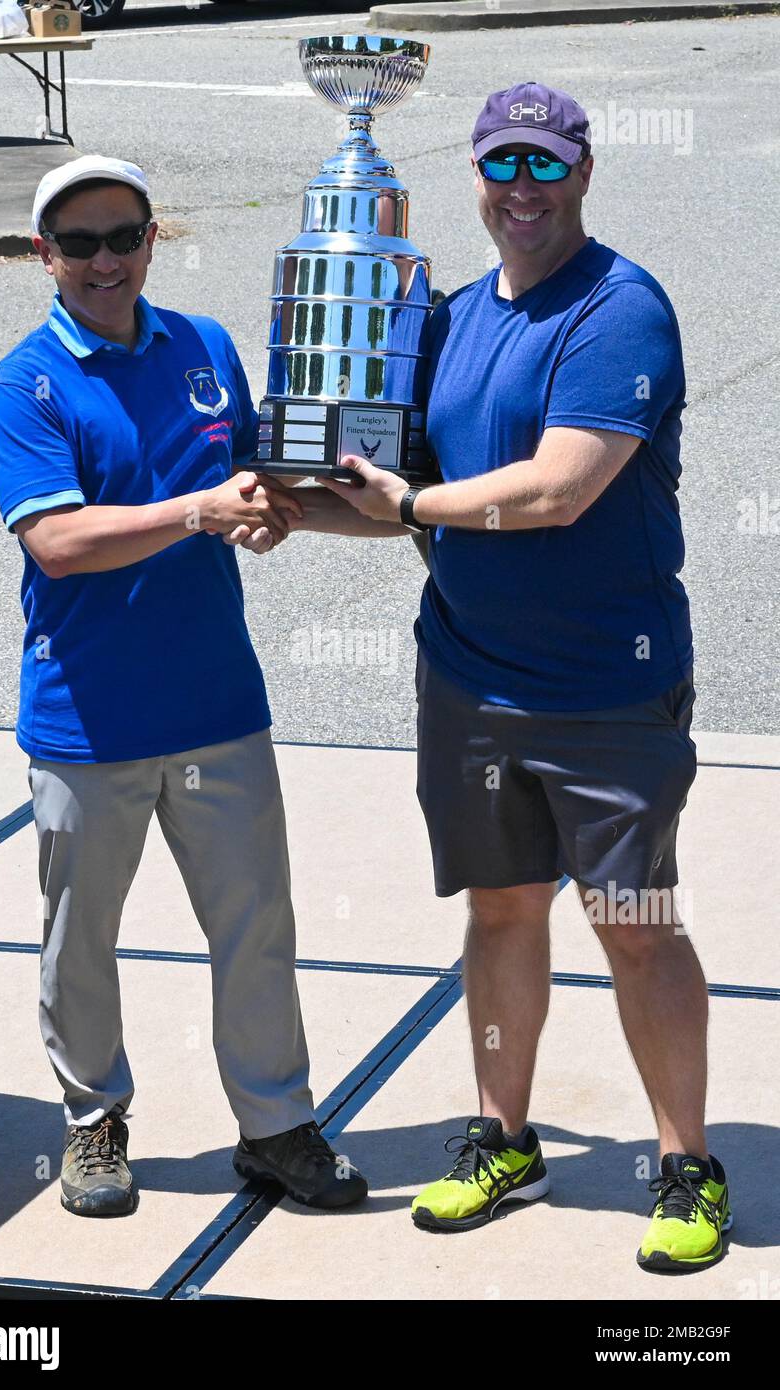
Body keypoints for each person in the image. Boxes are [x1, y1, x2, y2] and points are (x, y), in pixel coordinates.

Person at [268, 83, 730, 1273]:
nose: (520, 190)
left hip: (603, 686)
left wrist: (411, 502)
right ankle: (501, 1138)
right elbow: (410, 505)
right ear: (473, 178)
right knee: (500, 911)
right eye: (500, 167)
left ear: (581, 172)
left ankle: (684, 1164)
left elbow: (556, 487)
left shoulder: (619, 309)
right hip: (468, 680)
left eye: (543, 165)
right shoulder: (450, 315)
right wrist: (288, 507)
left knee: (631, 923)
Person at [0, 155, 368, 1218]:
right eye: (81, 243)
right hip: (86, 713)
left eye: (124, 235)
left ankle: (275, 1123)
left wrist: (365, 505)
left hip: (216, 703)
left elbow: (252, 478)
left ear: (154, 237)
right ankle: (92, 1119)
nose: (106, 261)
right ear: (42, 257)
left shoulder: (203, 346)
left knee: (254, 926)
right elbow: (57, 540)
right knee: (80, 935)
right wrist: (201, 510)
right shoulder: (23, 384)